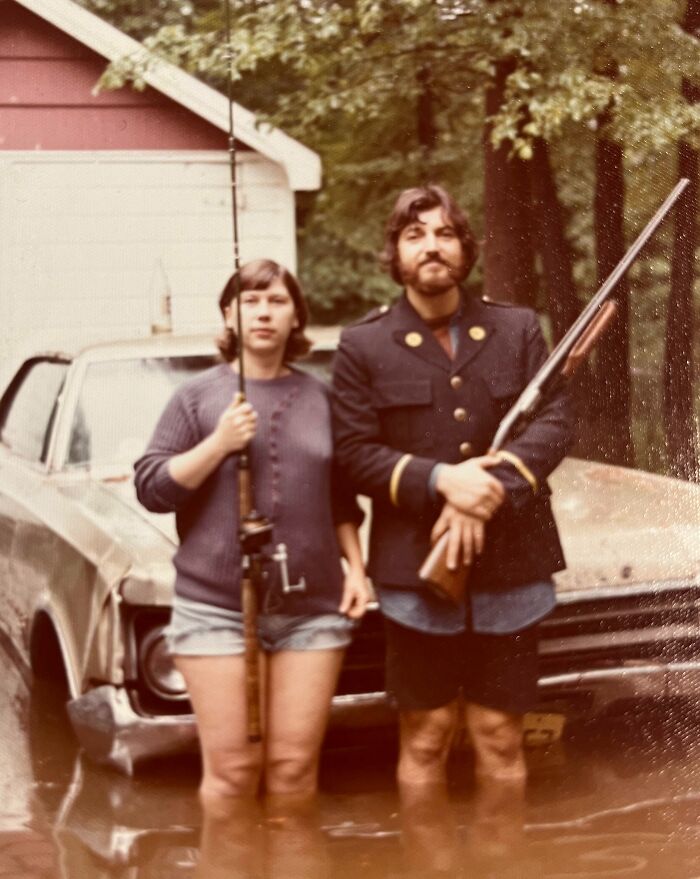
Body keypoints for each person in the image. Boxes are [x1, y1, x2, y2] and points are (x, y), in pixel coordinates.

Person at [331, 185, 573, 789]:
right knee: (427, 737)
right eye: (415, 236)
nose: (431, 247)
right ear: (396, 254)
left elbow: (556, 421)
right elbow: (354, 452)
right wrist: (444, 482)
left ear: (465, 249)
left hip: (511, 567)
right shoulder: (363, 345)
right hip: (417, 570)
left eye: (444, 234)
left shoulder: (517, 329)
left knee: (500, 737)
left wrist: (488, 489)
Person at [134, 258, 369, 807]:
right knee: (233, 775)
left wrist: (356, 569)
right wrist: (218, 444)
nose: (264, 311)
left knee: (292, 773)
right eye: (250, 300)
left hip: (312, 612)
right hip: (215, 609)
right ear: (229, 316)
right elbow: (151, 488)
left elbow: (341, 498)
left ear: (295, 319)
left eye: (277, 300)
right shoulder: (194, 398)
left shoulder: (323, 398)